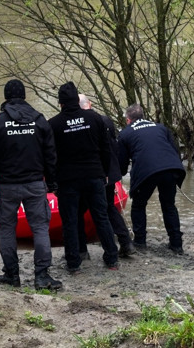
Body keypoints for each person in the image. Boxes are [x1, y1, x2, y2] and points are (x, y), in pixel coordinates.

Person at [0, 79, 62, 290]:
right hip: (35, 184)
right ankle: (42, 276)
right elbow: (50, 155)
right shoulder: (39, 120)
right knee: (41, 228)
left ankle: (12, 275)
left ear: (6, 97)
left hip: (7, 186)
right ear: (24, 96)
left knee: (7, 229)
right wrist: (52, 182)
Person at [48, 82, 119, 272]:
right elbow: (105, 149)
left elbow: (49, 156)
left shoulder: (54, 124)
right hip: (94, 175)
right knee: (101, 217)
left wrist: (52, 181)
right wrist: (104, 172)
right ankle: (112, 258)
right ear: (76, 101)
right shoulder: (94, 117)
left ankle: (74, 263)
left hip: (68, 180)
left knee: (70, 221)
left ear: (60, 103)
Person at [117, 104, 186, 254]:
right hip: (171, 168)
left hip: (147, 171)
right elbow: (175, 150)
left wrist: (119, 175)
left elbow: (121, 164)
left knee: (138, 205)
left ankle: (140, 242)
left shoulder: (125, 133)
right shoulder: (161, 127)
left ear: (128, 120)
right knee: (169, 205)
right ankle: (176, 244)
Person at [77, 93, 137, 258]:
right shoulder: (105, 120)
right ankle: (125, 242)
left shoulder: (83, 123)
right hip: (110, 172)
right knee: (109, 208)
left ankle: (82, 251)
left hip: (94, 173)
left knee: (78, 211)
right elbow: (112, 147)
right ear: (89, 104)